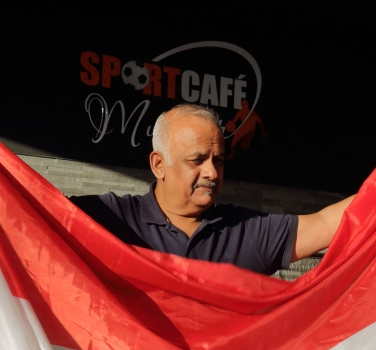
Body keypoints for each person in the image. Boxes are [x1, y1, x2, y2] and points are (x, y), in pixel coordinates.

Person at [72, 104, 352, 275]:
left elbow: (325, 223)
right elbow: (31, 215)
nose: (212, 173)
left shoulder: (246, 232)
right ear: (159, 165)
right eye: (197, 160)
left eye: (218, 160)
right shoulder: (109, 219)